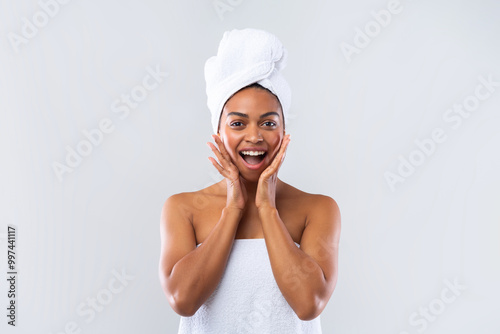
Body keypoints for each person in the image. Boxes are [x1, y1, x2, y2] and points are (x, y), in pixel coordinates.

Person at [159, 28, 341, 333]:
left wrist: (268, 208)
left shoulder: (318, 209)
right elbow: (183, 300)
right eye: (238, 123)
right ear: (218, 132)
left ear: (284, 132)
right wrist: (233, 208)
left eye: (268, 122)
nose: (254, 136)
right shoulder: (182, 208)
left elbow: (308, 304)